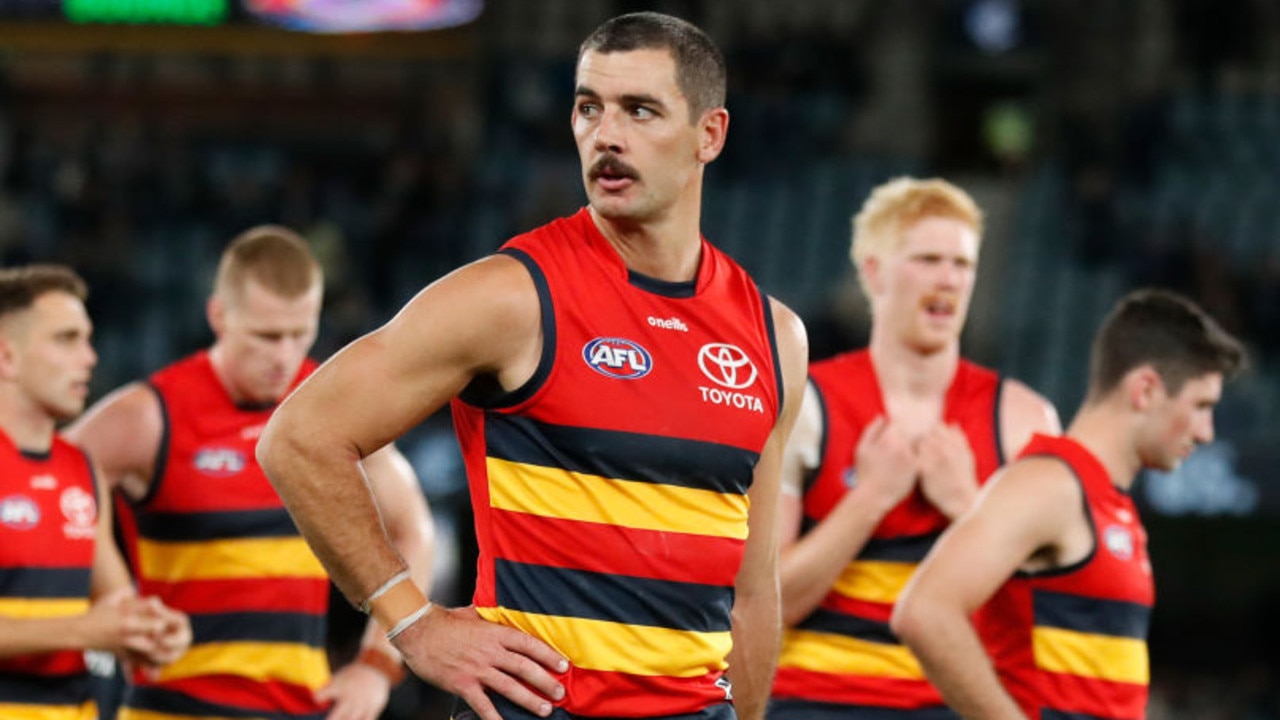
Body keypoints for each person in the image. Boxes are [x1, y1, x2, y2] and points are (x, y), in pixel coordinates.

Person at [256, 11, 808, 720]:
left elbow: (754, 591)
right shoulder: (513, 296)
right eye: (588, 108)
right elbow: (300, 438)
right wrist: (412, 623)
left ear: (710, 134)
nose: (606, 135)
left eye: (640, 110)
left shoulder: (773, 336)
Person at [63, 226, 435, 720]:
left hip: (303, 708)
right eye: (266, 336)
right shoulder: (149, 417)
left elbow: (415, 529)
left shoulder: (330, 409)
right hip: (171, 709)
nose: (283, 356)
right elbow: (35, 497)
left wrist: (376, 666)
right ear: (218, 315)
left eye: (299, 333)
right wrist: (108, 601)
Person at [768, 177, 1062, 719]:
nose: (948, 280)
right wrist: (870, 499)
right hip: (816, 703)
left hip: (957, 704)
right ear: (875, 271)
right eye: (927, 259)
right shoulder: (808, 405)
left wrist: (968, 508)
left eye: (962, 264)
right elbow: (771, 601)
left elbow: (1050, 613)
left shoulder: (1024, 419)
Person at [892, 288, 1246, 720]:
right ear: (1146, 389)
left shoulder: (1103, 501)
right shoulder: (1052, 484)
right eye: (1201, 405)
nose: (1207, 431)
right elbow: (925, 612)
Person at [0, 264, 190, 719]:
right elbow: (93, 625)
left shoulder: (79, 468)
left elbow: (115, 601)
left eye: (87, 339)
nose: (90, 357)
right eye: (67, 340)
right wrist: (85, 630)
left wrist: (152, 630)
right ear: (6, 357)